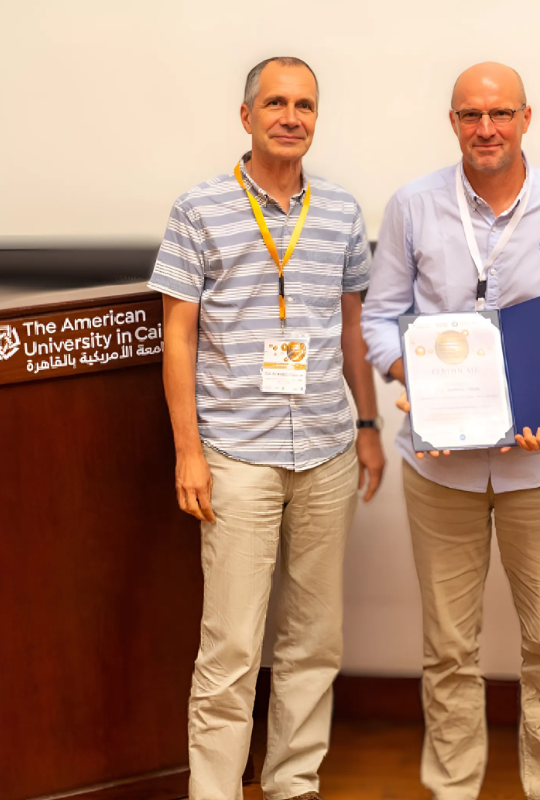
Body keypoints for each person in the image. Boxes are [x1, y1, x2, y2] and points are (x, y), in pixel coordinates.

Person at [359, 62, 540, 800]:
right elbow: (380, 318)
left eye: (500, 114)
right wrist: (411, 379)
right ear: (453, 123)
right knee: (447, 649)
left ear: (526, 119)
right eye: (471, 116)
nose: (486, 129)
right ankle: (452, 789)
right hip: (438, 464)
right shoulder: (413, 206)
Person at [147, 56, 386, 800]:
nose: (292, 116)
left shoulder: (342, 211)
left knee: (315, 640)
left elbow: (351, 327)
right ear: (246, 116)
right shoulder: (201, 208)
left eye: (305, 105)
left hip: (324, 447)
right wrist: (189, 450)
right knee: (231, 646)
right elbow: (177, 335)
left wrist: (369, 425)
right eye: (277, 103)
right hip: (236, 454)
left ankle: (293, 782)